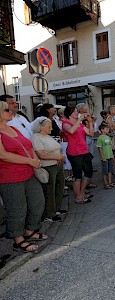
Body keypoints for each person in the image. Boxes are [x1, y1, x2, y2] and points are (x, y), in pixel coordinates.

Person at [0, 101, 48, 253]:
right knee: (17, 208)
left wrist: (35, 161)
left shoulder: (13, 128)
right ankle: (18, 239)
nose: (11, 111)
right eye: (7, 109)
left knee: (38, 202)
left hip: (28, 172)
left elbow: (27, 145)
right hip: (10, 177)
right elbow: (3, 155)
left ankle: (30, 230)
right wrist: (30, 161)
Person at [32, 117, 66, 222]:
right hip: (48, 167)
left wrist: (60, 157)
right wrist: (58, 157)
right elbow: (41, 154)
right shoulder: (36, 137)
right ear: (41, 127)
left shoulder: (47, 136)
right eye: (49, 127)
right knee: (50, 190)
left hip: (57, 164)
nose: (51, 129)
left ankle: (56, 208)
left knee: (59, 187)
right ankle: (50, 213)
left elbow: (58, 148)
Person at [62, 106, 94, 204]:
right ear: (69, 113)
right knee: (77, 175)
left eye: (77, 111)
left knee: (88, 172)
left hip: (84, 151)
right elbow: (71, 131)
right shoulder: (65, 124)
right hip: (74, 152)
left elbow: (91, 133)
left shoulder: (79, 124)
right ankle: (78, 196)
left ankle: (82, 192)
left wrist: (90, 122)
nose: (76, 113)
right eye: (74, 111)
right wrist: (80, 119)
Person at [97, 124, 115, 189]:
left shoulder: (108, 137)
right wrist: (103, 157)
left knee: (110, 170)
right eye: (106, 129)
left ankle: (110, 182)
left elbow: (110, 147)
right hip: (104, 157)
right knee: (105, 171)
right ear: (102, 130)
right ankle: (106, 183)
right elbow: (99, 148)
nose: (108, 130)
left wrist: (112, 155)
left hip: (110, 155)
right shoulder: (100, 138)